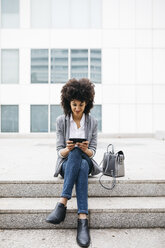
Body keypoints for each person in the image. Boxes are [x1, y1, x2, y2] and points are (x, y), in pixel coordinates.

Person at [46, 78, 101, 247]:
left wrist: (84, 149)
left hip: (85, 156)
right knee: (80, 164)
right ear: (68, 103)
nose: (77, 109)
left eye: (81, 105)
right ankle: (82, 219)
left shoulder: (92, 122)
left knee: (81, 156)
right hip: (67, 163)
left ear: (87, 104)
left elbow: (93, 151)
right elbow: (59, 151)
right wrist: (68, 148)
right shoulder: (61, 121)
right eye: (74, 104)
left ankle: (62, 203)